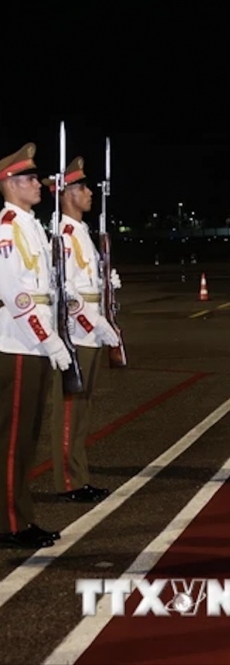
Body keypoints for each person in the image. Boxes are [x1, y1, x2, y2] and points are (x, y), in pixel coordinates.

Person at [0, 144, 72, 548]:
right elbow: (16, 294)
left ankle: (17, 516)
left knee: (24, 439)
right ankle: (11, 523)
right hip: (19, 343)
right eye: (29, 179)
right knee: (13, 440)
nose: (38, 184)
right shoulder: (9, 227)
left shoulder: (30, 225)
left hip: (32, 342)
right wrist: (48, 340)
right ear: (10, 184)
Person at [42, 157, 122, 502]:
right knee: (69, 409)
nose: (90, 193)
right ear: (68, 193)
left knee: (83, 408)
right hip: (75, 331)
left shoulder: (81, 233)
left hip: (88, 329)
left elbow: (85, 283)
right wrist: (95, 321)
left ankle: (79, 474)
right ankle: (69, 482)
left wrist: (107, 286)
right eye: (84, 188)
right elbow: (66, 290)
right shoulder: (63, 234)